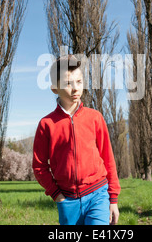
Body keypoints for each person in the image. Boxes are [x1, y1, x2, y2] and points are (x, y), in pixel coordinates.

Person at [32, 55, 120, 225]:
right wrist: (57, 195)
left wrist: (113, 199)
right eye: (67, 83)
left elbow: (108, 159)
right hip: (67, 200)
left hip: (98, 194)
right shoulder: (46, 124)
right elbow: (39, 166)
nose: (75, 89)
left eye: (79, 82)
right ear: (54, 89)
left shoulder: (95, 118)